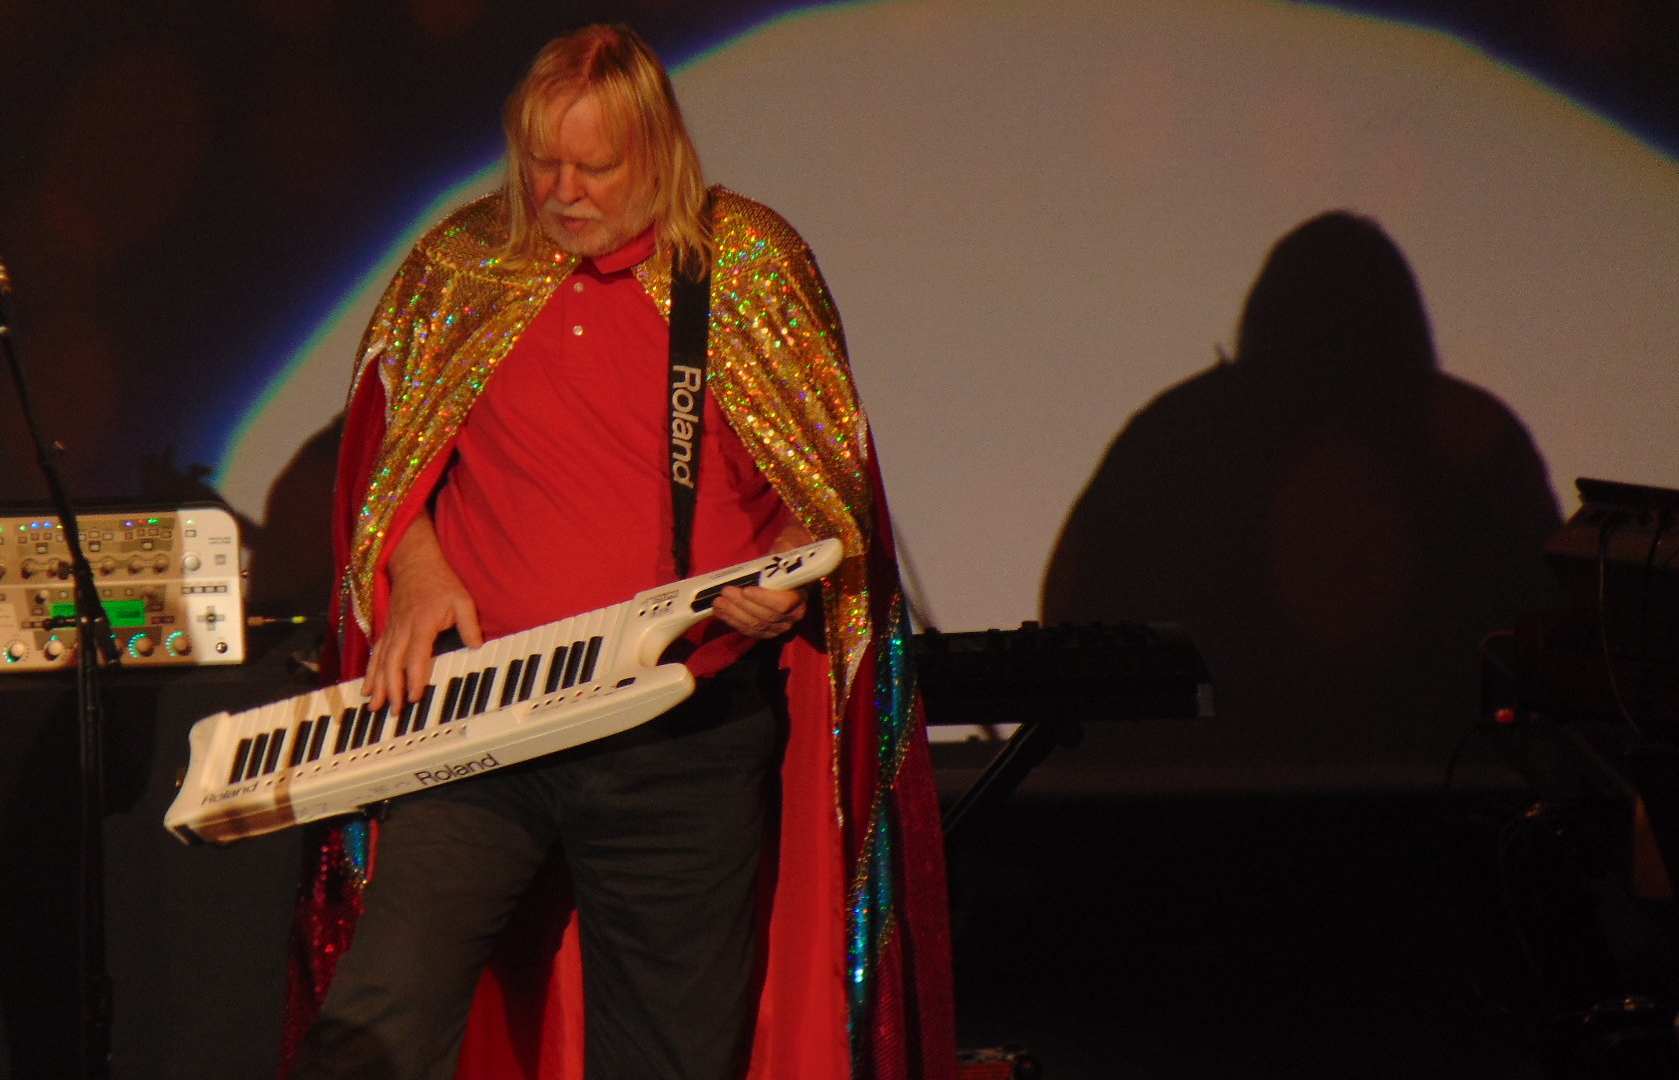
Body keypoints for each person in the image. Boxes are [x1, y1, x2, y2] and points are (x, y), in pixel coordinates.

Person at [285, 25, 953, 1080]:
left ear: (659, 154)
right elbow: (386, 467)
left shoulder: (745, 265)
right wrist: (414, 564)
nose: (562, 193)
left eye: (593, 167)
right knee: (374, 1027)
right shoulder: (462, 266)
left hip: (681, 731)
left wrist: (786, 573)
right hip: (487, 717)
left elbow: (827, 493)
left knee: (668, 1057)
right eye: (541, 163)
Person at [1044, 211, 1563, 779]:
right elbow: (1557, 641)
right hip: (1455, 805)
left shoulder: (1177, 435)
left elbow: (1075, 617)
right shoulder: (1477, 436)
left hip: (1192, 802)